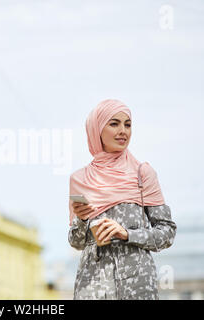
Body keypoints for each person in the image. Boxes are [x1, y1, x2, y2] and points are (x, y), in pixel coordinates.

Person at [68, 98, 177, 300]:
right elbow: (76, 241)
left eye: (127, 124)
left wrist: (127, 234)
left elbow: (167, 233)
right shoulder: (80, 179)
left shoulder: (142, 173)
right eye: (114, 123)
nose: (123, 131)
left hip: (137, 284)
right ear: (97, 128)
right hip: (93, 284)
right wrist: (82, 221)